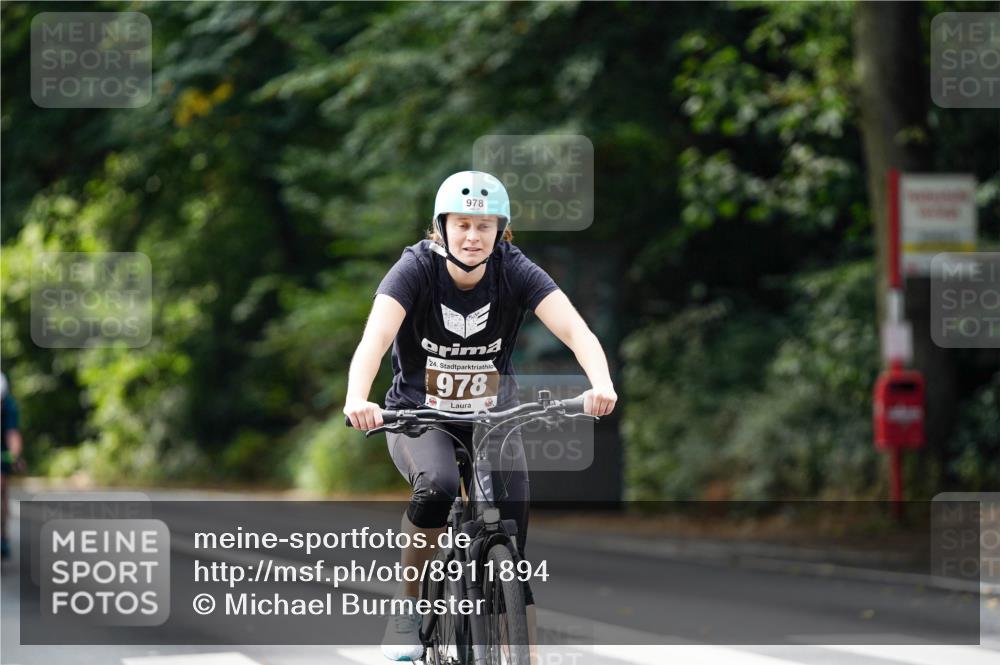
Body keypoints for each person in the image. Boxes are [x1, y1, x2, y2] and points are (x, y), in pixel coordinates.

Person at [343, 170, 617, 662]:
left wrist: (601, 383)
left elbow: (576, 331)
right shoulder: (414, 269)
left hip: (494, 420)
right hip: (418, 416)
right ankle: (408, 605)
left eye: (485, 226)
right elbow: (375, 339)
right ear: (441, 228)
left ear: (500, 231)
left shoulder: (515, 270)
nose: (473, 236)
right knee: (439, 486)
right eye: (463, 225)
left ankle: (523, 654)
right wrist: (357, 398)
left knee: (511, 545)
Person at [1, 372, 24, 560]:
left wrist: (14, 456)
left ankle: (3, 535)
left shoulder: (9, 406)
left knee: (1, 485)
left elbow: (12, 434)